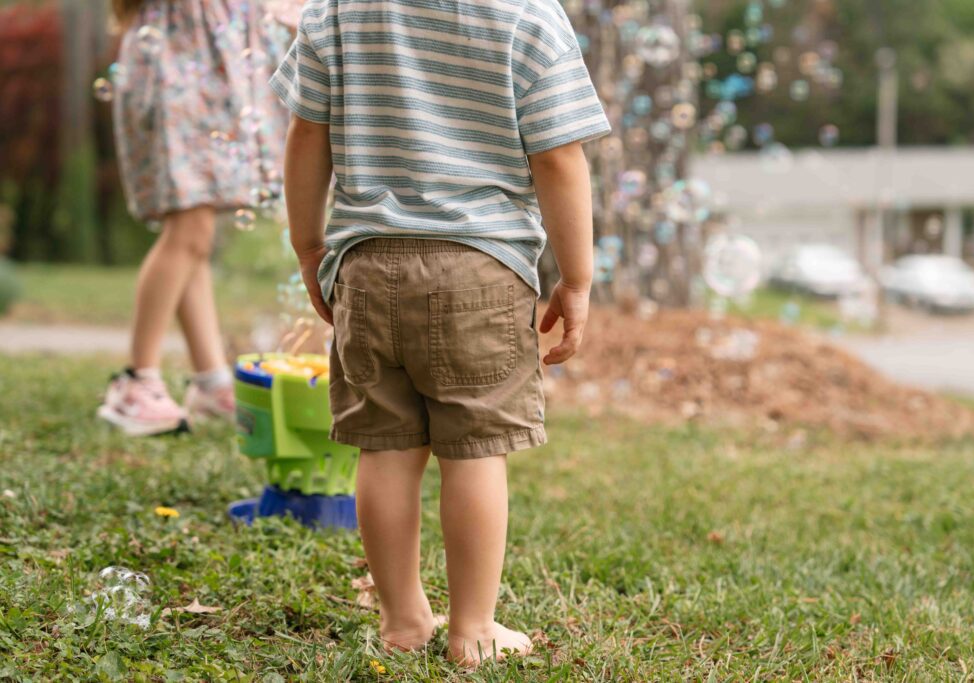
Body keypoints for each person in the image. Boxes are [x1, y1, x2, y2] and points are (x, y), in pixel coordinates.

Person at [273, 0, 609, 666]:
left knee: (386, 447)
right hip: (482, 272)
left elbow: (306, 134)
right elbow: (560, 159)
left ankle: (402, 618)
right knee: (476, 449)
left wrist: (310, 246)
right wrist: (577, 278)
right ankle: (473, 628)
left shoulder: (339, 11)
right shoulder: (528, 16)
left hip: (366, 265)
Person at [98, 0, 291, 436]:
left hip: (204, 65)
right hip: (178, 66)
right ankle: (137, 380)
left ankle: (211, 381)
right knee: (189, 228)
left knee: (195, 235)